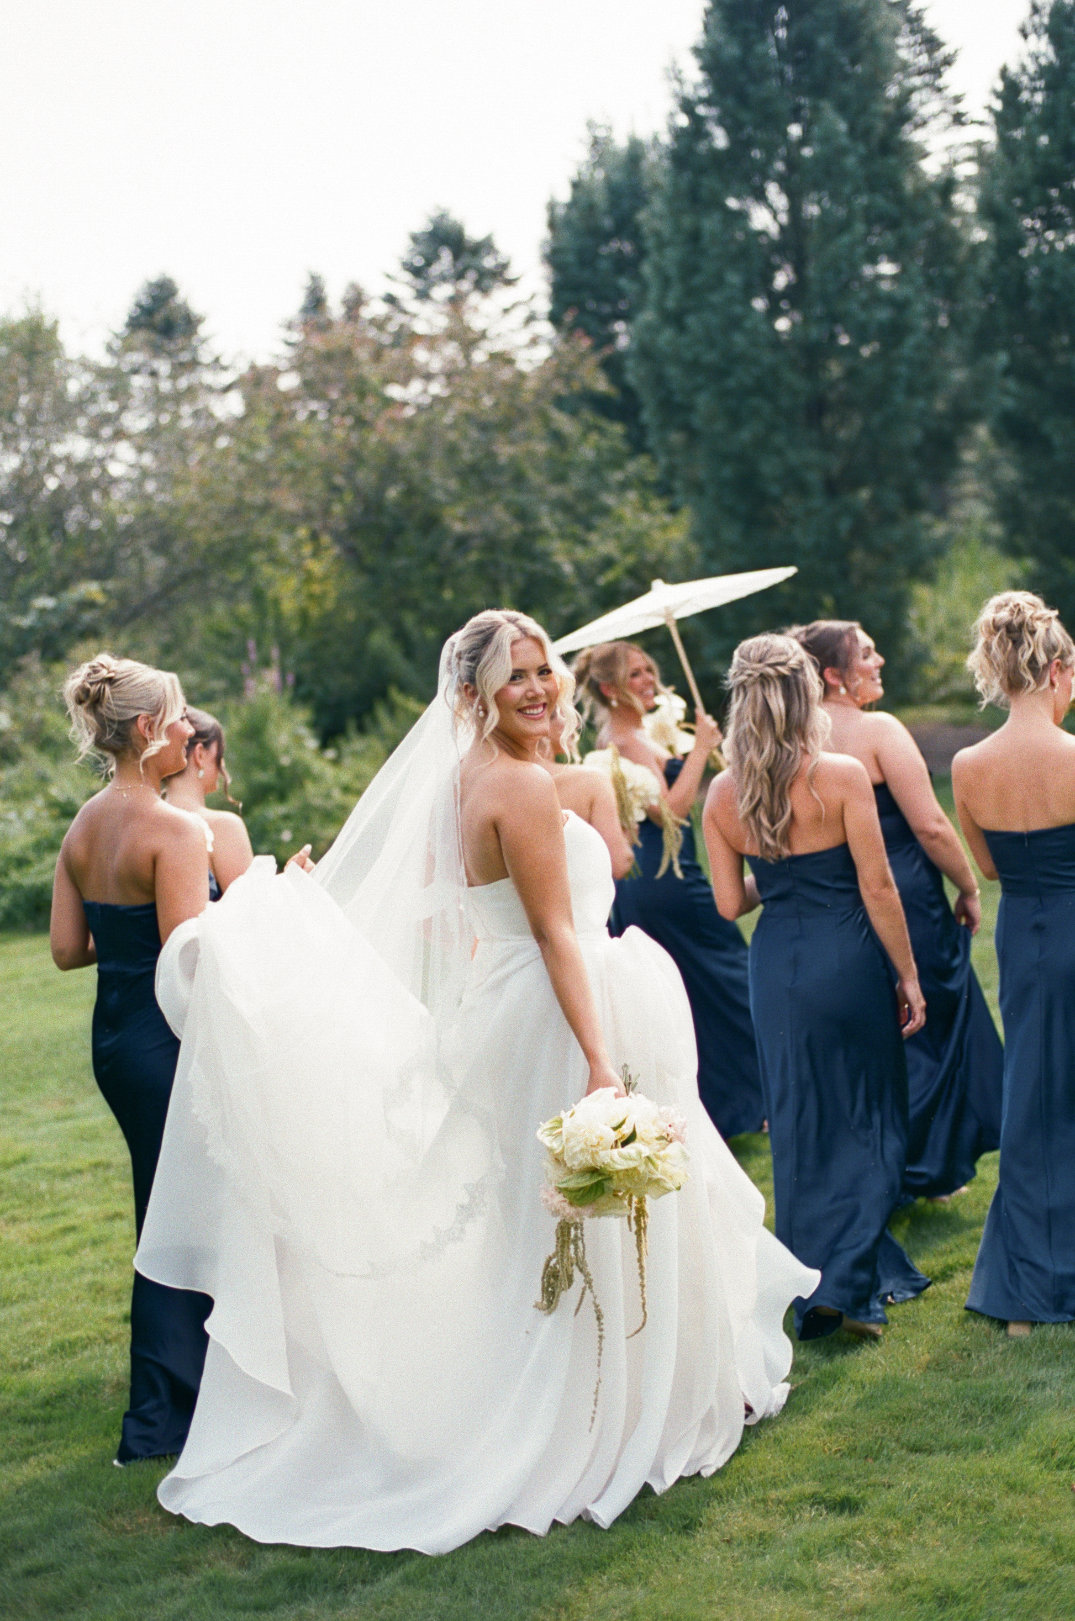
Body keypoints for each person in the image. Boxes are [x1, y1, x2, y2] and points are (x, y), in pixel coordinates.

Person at [135, 609, 818, 1552]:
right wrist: (600, 1062)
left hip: (500, 1014)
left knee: (532, 1225)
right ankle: (604, 1410)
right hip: (559, 1012)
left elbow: (449, 917)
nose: (538, 688)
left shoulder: (462, 781)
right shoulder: (524, 789)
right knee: (594, 1218)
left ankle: (606, 1386)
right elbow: (552, 935)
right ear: (475, 695)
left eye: (543, 669)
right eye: (516, 676)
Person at [704, 634, 930, 1341]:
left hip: (777, 964)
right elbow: (877, 884)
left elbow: (727, 905)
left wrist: (775, 874)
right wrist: (908, 973)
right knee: (870, 1114)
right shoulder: (837, 774)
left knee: (801, 1121)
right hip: (848, 956)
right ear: (806, 694)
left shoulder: (721, 792)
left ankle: (815, 1281)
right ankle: (848, 1285)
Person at [49, 654, 213, 1464]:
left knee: (163, 1205)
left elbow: (65, 950)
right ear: (148, 731)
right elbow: (191, 962)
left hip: (113, 1040)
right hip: (166, 1040)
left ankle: (176, 1400)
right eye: (180, 716)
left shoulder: (83, 824)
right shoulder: (177, 828)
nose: (189, 729)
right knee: (182, 1211)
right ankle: (160, 1418)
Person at [793, 621, 1002, 1201]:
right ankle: (927, 1169)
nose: (879, 660)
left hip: (836, 902)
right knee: (924, 1023)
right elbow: (932, 825)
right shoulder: (878, 728)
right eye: (866, 653)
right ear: (833, 675)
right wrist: (968, 885)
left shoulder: (793, 738)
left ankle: (888, 1169)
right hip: (903, 895)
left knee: (874, 1029)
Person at [573, 641, 765, 1140]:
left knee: (702, 991)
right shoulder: (627, 740)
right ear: (610, 689)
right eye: (635, 675)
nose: (649, 681)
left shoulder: (632, 733)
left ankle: (732, 1106)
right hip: (670, 881)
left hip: (652, 883)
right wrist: (701, 748)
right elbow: (673, 811)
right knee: (731, 983)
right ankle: (756, 1098)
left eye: (649, 670)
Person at [953, 591, 1075, 1337]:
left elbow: (990, 869)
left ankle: (1023, 1299)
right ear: (1058, 667)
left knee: (1031, 1100)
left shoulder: (968, 765)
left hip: (1023, 940)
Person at [162, 707, 254, 897]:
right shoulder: (224, 826)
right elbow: (252, 914)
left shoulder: (141, 824)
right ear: (200, 754)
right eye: (219, 756)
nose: (222, 767)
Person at [538, 707, 635, 878]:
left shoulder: (496, 785)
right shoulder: (591, 780)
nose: (573, 723)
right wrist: (627, 837)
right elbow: (618, 864)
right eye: (556, 714)